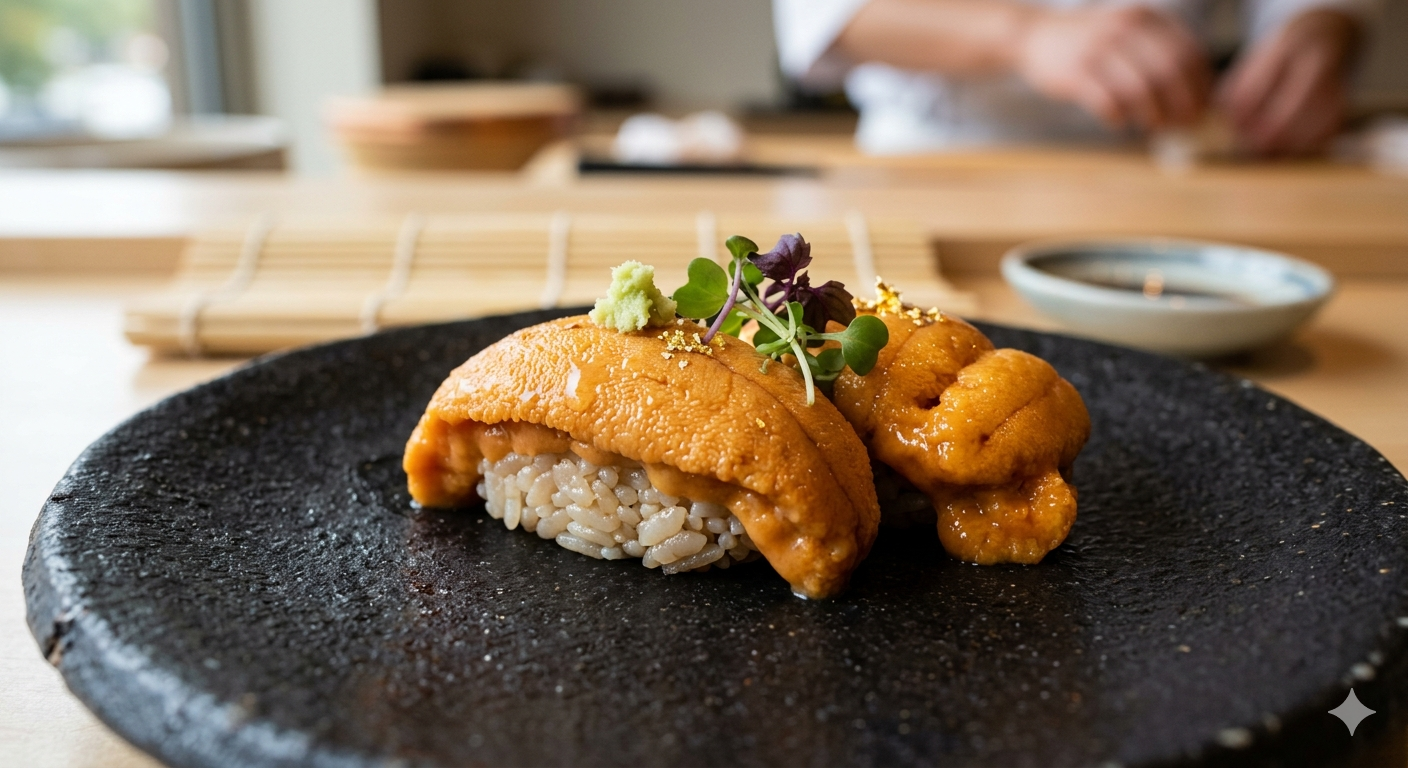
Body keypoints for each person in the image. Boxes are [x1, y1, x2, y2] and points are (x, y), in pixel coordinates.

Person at [773, 0, 1371, 156]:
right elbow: (821, 18)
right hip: (937, 156)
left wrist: (1320, 23)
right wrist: (1023, 34)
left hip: (1176, 157)